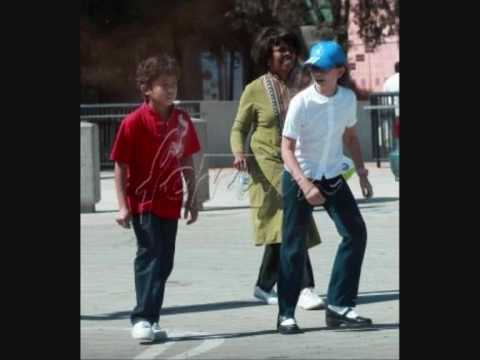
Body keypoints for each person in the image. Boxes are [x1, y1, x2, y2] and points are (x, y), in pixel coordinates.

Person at [276, 40, 374, 334]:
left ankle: (339, 306)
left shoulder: (346, 99)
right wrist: (305, 185)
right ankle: (285, 315)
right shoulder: (301, 103)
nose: (317, 72)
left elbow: (351, 137)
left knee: (355, 233)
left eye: (324, 68)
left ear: (340, 71)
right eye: (313, 67)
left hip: (332, 175)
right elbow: (286, 149)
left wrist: (362, 172)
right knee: (293, 247)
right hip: (299, 177)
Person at [230, 26, 324, 311]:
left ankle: (262, 287)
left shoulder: (301, 87)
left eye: (290, 48)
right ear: (266, 55)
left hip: (294, 162)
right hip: (265, 166)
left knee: (281, 230)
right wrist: (237, 152)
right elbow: (239, 128)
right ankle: (305, 288)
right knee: (294, 221)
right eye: (280, 48)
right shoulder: (254, 90)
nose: (287, 53)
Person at [111, 54, 201, 342]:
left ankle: (153, 318)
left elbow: (187, 157)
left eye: (174, 84)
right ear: (147, 89)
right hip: (143, 202)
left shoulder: (182, 120)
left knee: (165, 261)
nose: (171, 89)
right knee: (150, 256)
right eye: (164, 85)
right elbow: (120, 164)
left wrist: (193, 196)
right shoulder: (133, 122)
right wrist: (123, 206)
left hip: (171, 202)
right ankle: (141, 318)